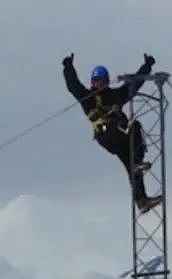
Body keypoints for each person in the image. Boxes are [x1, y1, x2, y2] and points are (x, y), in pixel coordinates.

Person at [62, 52, 162, 213]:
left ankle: (141, 200)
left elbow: (134, 85)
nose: (98, 83)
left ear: (107, 81)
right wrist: (68, 67)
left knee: (134, 143)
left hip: (119, 137)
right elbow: (73, 85)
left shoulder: (115, 95)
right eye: (95, 81)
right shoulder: (88, 97)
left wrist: (147, 66)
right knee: (129, 140)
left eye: (101, 80)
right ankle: (136, 163)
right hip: (106, 134)